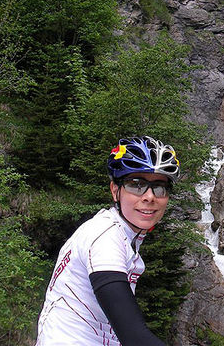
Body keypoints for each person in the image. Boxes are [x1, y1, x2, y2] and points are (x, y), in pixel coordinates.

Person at [36, 136, 180, 346]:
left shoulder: (118, 233)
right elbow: (134, 337)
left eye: (159, 187)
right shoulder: (105, 237)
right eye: (137, 185)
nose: (150, 196)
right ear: (115, 190)